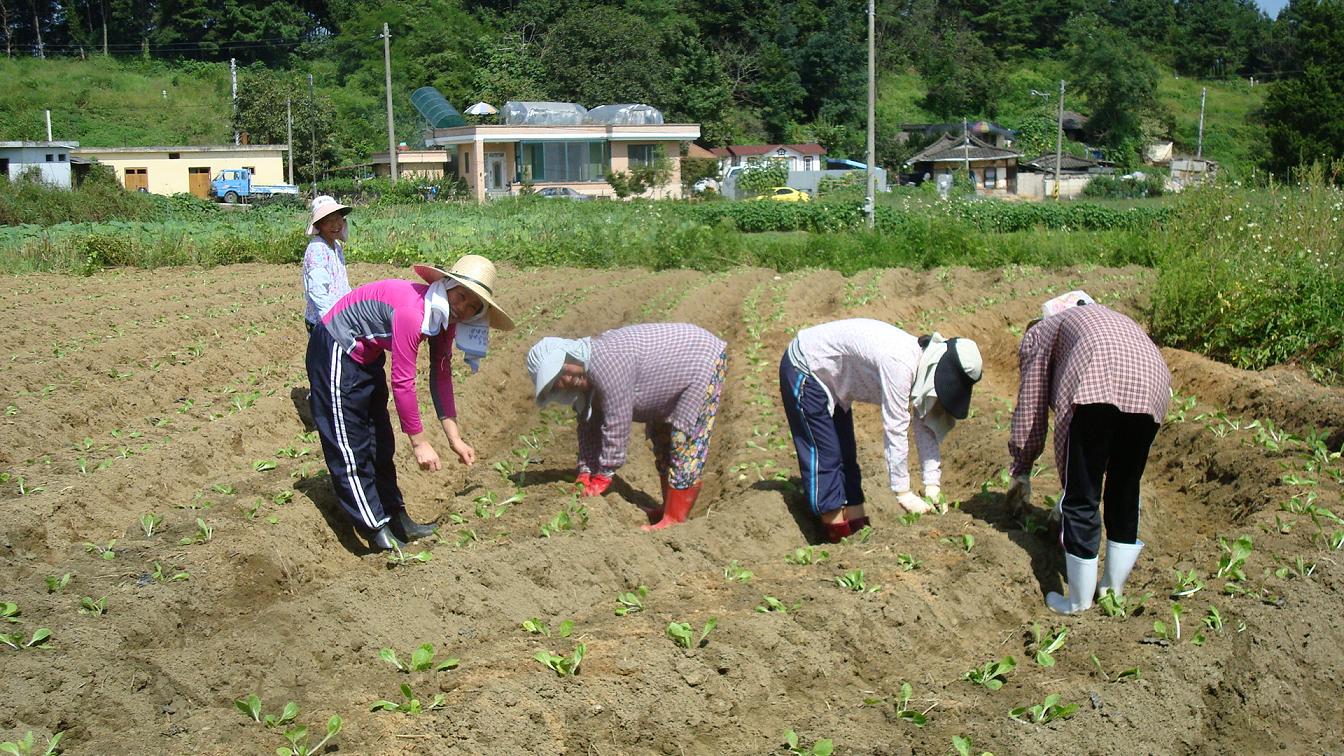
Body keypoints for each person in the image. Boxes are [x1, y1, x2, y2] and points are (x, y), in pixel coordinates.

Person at [307, 255, 514, 550]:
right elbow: (403, 381)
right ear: (448, 286)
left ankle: (396, 517)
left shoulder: (442, 319)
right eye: (461, 297)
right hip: (336, 348)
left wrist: (454, 438)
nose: (462, 308)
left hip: (367, 357)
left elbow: (441, 376)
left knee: (380, 442)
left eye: (473, 307)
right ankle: (376, 528)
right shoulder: (412, 312)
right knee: (350, 445)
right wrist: (419, 443)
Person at [1005, 291, 1171, 615]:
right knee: (1125, 486)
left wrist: (1022, 466)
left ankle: (1078, 602)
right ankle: (1112, 590)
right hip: (1153, 383)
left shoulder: (1043, 330)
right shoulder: (1113, 317)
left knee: (1083, 494)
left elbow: (1032, 404)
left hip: (1098, 380)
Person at [780, 319, 983, 543]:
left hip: (835, 381)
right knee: (826, 455)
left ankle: (858, 534)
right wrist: (902, 492)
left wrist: (932, 484)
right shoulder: (900, 363)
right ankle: (836, 539)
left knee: (847, 455)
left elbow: (925, 425)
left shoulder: (922, 366)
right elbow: (895, 428)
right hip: (807, 367)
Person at [526, 324, 728, 531]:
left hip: (700, 359)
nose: (567, 378)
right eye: (558, 380)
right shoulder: (587, 380)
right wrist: (586, 470)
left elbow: (617, 421)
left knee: (685, 441)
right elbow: (588, 425)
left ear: (572, 356)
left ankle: (674, 519)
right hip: (670, 379)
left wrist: (604, 473)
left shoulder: (606, 362)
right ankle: (667, 509)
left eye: (564, 369)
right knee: (662, 438)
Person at [303, 195, 353, 332]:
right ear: (318, 225)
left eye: (337, 219)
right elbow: (318, 292)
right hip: (324, 323)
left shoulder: (335, 246)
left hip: (340, 319)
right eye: (328, 221)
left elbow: (342, 284)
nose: (335, 225)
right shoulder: (317, 249)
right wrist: (333, 322)